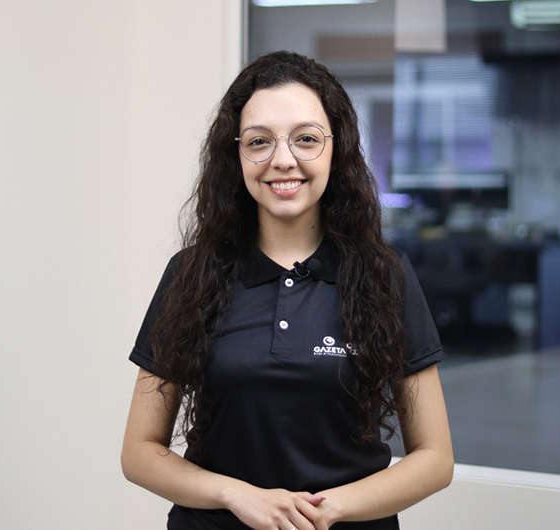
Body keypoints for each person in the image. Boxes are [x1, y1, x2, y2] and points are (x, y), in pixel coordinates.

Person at [121, 51, 453, 530]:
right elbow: (139, 452)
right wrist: (237, 495)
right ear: (236, 154)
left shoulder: (385, 275)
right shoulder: (190, 274)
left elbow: (436, 458)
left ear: (337, 149)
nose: (282, 160)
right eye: (259, 141)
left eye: (306, 139)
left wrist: (322, 511)